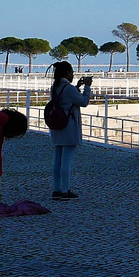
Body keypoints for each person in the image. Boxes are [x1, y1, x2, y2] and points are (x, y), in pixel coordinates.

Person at [47, 63, 92, 199]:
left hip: (57, 127)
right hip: (69, 127)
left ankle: (56, 190)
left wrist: (77, 87)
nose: (73, 75)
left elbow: (65, 98)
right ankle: (65, 191)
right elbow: (83, 102)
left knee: (58, 159)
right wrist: (87, 87)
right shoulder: (69, 88)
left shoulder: (54, 87)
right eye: (71, 72)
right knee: (66, 160)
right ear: (66, 73)